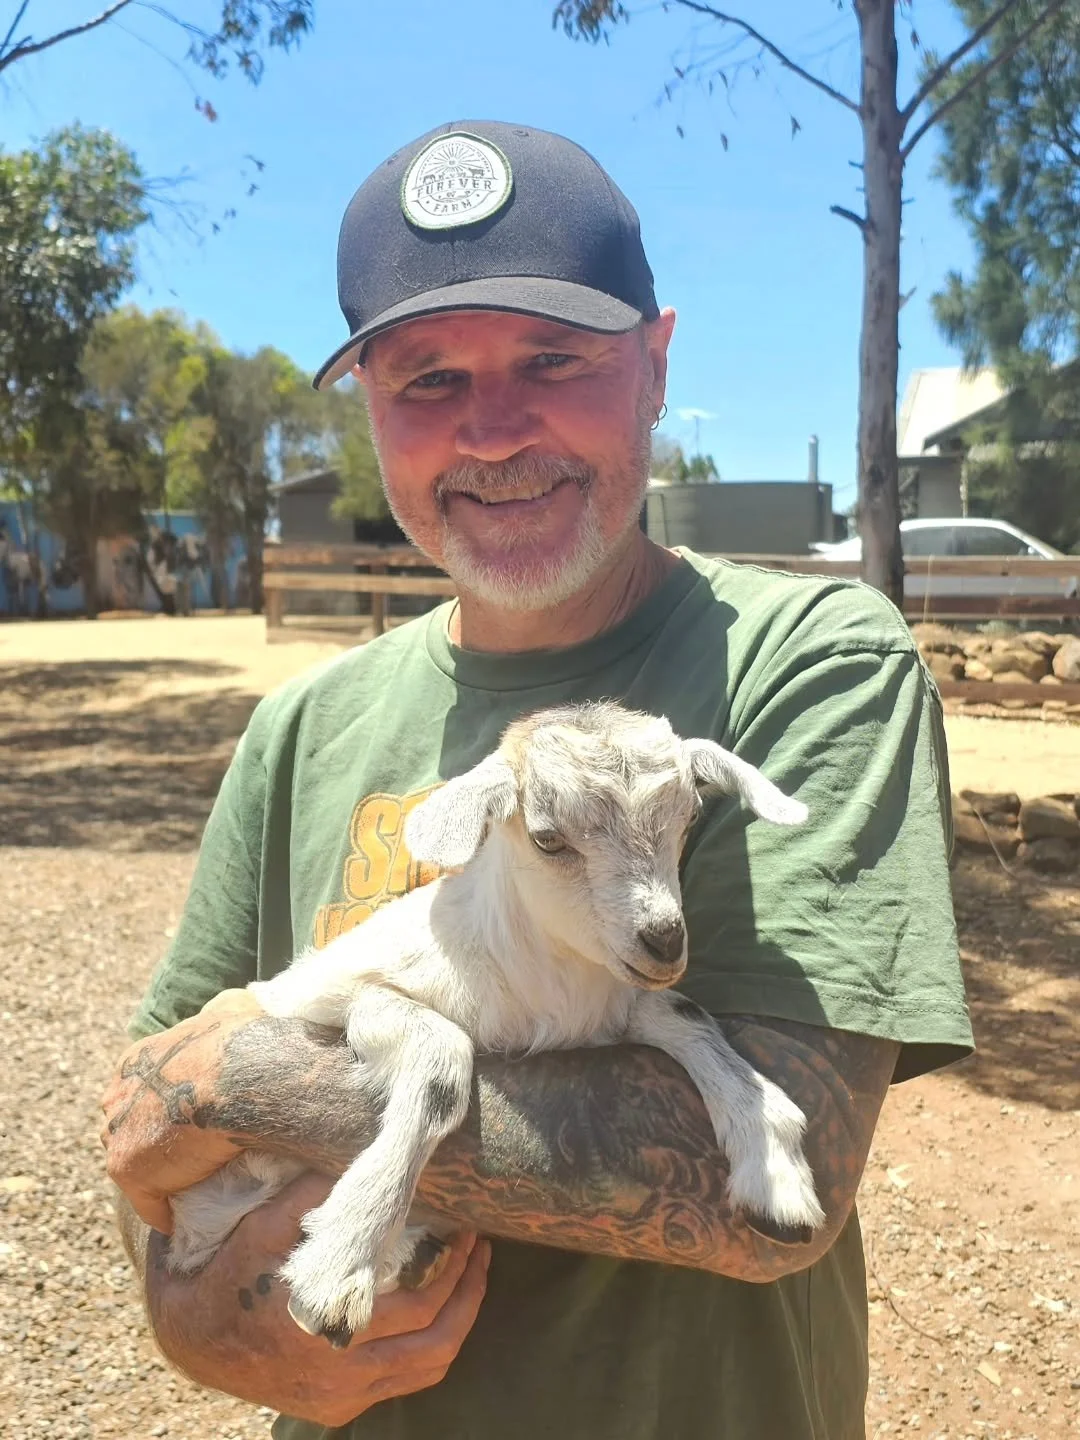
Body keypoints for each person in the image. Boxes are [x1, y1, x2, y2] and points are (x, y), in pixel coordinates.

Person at [100, 120, 973, 1440]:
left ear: (656, 365)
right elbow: (145, 1151)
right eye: (428, 378)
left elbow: (764, 1204)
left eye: (554, 360)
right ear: (371, 415)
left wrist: (240, 1080)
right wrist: (198, 1326)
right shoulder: (302, 728)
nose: (495, 430)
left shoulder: (813, 665)